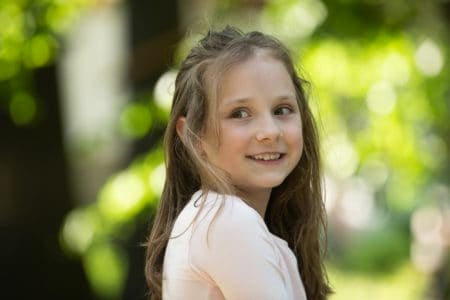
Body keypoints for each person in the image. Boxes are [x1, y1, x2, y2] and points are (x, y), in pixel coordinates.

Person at [145, 26, 331, 300]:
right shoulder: (226, 221)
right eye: (240, 113)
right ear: (192, 135)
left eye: (282, 110)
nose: (270, 131)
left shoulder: (212, 218)